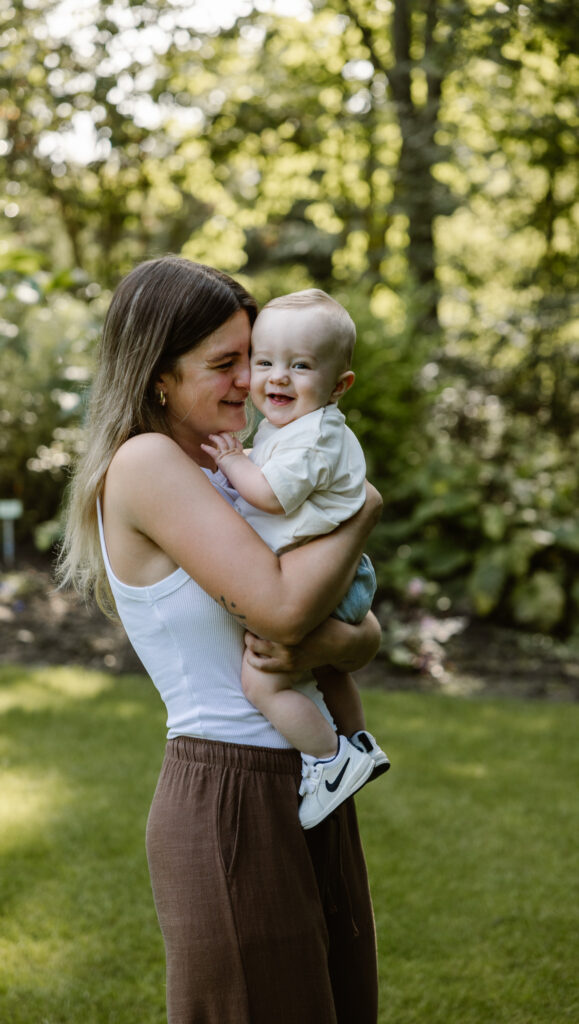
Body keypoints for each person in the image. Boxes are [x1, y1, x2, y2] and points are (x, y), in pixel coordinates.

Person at [58, 255, 383, 1024]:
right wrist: (365, 510)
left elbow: (359, 631)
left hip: (309, 777)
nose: (251, 380)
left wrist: (327, 647)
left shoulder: (243, 465)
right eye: (225, 363)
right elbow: (282, 610)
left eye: (256, 357)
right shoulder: (147, 465)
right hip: (230, 792)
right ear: (159, 376)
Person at [201, 289, 389, 830]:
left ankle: (330, 760)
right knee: (326, 669)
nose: (278, 377)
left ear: (339, 385)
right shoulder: (295, 426)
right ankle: (359, 741)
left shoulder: (313, 438)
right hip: (334, 567)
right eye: (264, 363)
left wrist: (234, 462)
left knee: (264, 680)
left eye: (300, 366)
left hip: (325, 573)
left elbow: (269, 496)